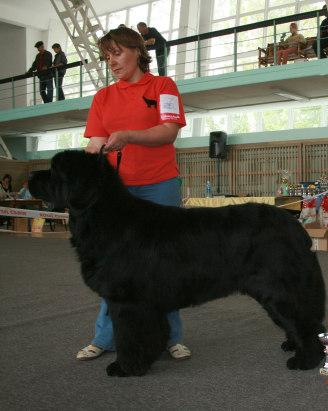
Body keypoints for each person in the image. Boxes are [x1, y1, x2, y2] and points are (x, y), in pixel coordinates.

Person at [77, 26, 191, 361]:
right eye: (106, 56)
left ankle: (172, 337)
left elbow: (168, 132)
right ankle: (105, 338)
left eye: (117, 53)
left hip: (160, 186)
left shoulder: (163, 86)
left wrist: (128, 135)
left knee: (163, 264)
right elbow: (95, 143)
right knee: (112, 267)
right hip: (116, 196)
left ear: (137, 50)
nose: (111, 62)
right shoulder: (102, 97)